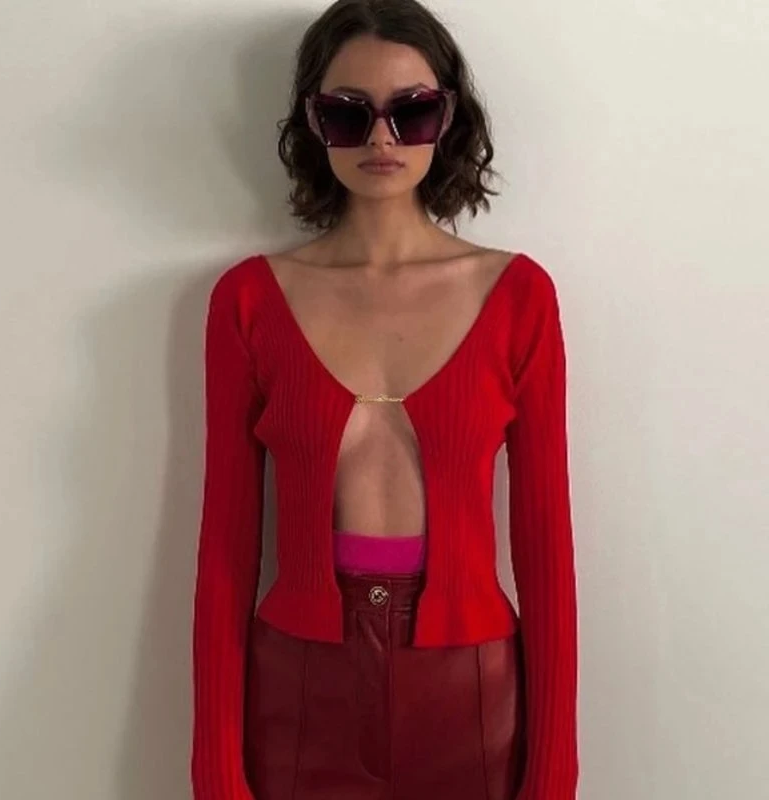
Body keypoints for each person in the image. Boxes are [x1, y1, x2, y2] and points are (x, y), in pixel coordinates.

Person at [191, 1, 579, 799]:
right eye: (348, 113)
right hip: (301, 692)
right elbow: (226, 555)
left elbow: (546, 555)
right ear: (312, 122)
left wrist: (552, 779)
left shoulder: (517, 297)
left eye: (412, 111)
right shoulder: (249, 302)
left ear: (449, 117)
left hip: (469, 695)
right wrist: (216, 776)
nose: (381, 139)